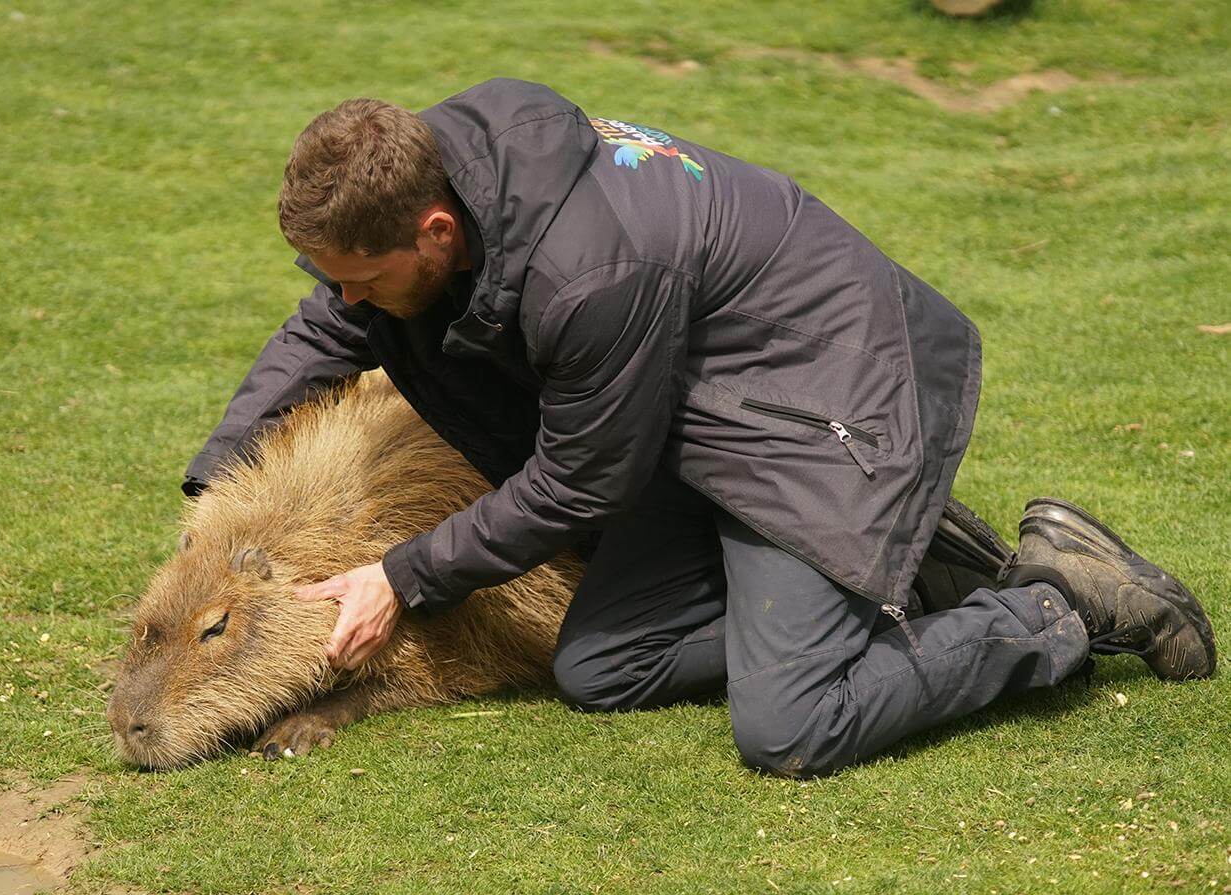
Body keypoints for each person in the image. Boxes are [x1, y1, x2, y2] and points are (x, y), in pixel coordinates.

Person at [182, 79, 1216, 776]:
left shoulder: (588, 274)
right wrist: (214, 487)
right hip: (704, 412)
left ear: (435, 231)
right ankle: (887, 578)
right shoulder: (435, 172)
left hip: (823, 407)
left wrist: (402, 574)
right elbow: (325, 322)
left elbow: (579, 480)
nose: (344, 298)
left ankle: (1053, 607)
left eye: (363, 276)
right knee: (600, 667)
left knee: (791, 724)